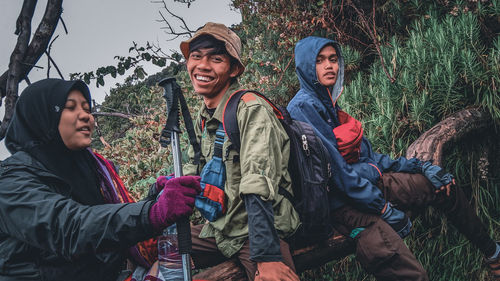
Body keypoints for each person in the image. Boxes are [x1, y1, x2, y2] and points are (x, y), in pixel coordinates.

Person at [287, 36, 500, 280]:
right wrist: (383, 207)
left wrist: (419, 165)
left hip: (365, 185)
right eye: (320, 60)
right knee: (406, 271)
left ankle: (492, 252)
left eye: (333, 59)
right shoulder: (303, 108)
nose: (329, 66)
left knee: (442, 186)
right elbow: (335, 173)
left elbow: (368, 157)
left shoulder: (327, 103)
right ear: (305, 65)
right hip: (340, 204)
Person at [0, 78, 201, 281]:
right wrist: (152, 212)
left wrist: (154, 200)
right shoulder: (11, 181)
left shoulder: (88, 167)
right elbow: (71, 228)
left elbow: (105, 224)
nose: (86, 116)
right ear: (41, 117)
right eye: (70, 107)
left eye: (87, 109)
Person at [175, 22, 301, 281]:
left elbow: (258, 183)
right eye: (196, 56)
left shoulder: (250, 109)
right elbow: (190, 174)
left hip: (257, 232)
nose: (202, 65)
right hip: (220, 230)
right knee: (149, 248)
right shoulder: (203, 118)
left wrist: (267, 257)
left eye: (216, 59)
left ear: (234, 69)